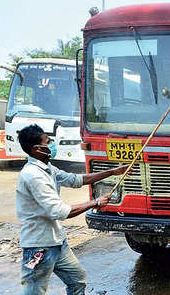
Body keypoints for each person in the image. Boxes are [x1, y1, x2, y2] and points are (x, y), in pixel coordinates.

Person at [16, 124, 128, 295]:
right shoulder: (33, 175)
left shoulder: (48, 169)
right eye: (48, 142)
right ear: (37, 149)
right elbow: (60, 212)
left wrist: (113, 172)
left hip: (57, 242)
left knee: (77, 279)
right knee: (33, 291)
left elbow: (76, 179)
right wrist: (95, 202)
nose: (52, 144)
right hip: (39, 246)